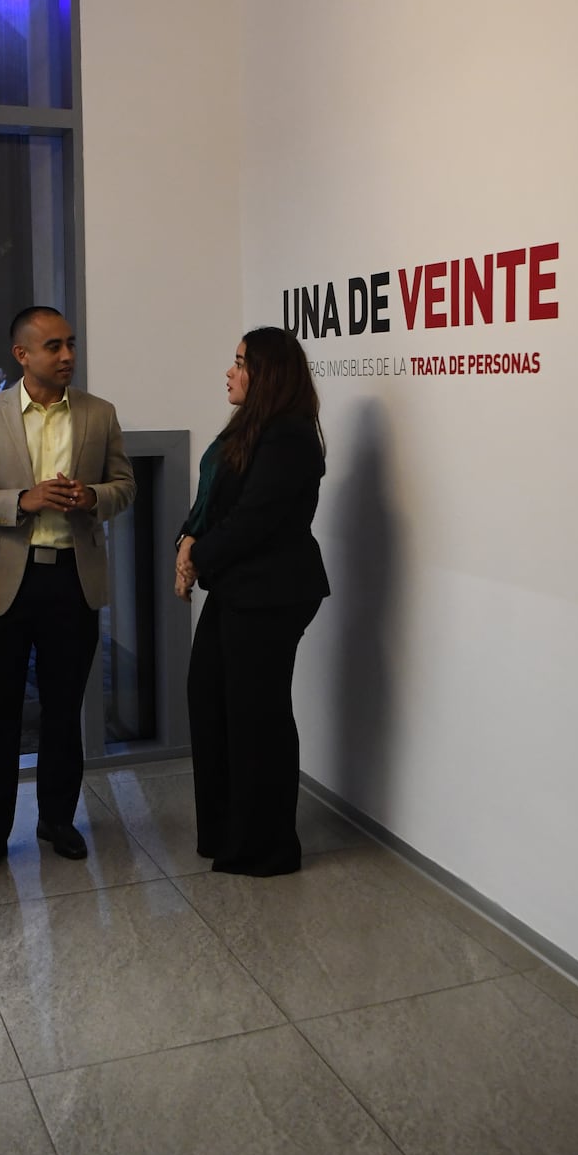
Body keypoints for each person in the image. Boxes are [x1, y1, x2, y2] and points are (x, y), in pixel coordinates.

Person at [0, 305, 136, 883]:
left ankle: (57, 820)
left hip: (73, 580)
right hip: (7, 581)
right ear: (22, 354)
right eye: (54, 346)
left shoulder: (99, 413)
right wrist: (21, 500)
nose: (67, 355)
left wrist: (92, 498)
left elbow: (124, 486)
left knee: (63, 711)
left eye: (70, 344)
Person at [176, 327, 329, 876]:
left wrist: (195, 557)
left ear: (267, 375)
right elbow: (216, 501)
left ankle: (266, 847)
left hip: (272, 595)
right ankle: (226, 833)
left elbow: (253, 521)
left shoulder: (289, 436)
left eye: (240, 363)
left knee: (256, 718)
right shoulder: (252, 427)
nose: (230, 371)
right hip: (238, 587)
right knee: (211, 700)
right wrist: (188, 540)